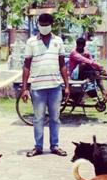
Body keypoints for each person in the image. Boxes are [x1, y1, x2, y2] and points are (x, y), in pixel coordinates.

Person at [21, 13, 70, 157]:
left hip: (55, 87)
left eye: (46, 25)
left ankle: (55, 146)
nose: (43, 27)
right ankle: (38, 146)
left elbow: (62, 65)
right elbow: (26, 66)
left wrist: (66, 85)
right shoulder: (31, 42)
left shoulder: (58, 41)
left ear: (51, 25)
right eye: (41, 25)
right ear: (38, 25)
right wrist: (25, 88)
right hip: (37, 88)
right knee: (38, 118)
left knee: (55, 118)